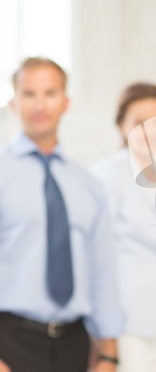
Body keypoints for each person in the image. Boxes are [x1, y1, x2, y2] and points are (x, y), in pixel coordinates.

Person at [0, 57, 121, 372]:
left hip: (75, 344)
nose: (40, 104)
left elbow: (102, 270)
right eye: (29, 93)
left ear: (65, 102)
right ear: (13, 102)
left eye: (50, 93)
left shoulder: (87, 185)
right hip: (9, 341)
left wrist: (109, 353)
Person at [92, 82, 156, 372]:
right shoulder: (106, 176)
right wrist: (105, 341)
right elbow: (96, 261)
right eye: (139, 123)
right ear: (122, 126)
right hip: (124, 326)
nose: (151, 131)